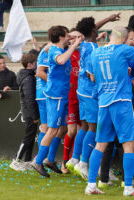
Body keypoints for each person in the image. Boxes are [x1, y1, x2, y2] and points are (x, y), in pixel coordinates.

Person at [84, 26, 134, 196]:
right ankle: (128, 187)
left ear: (110, 36)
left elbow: (92, 77)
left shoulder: (95, 53)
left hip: (103, 102)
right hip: (121, 102)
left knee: (100, 145)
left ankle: (91, 185)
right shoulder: (124, 49)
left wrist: (121, 71)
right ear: (123, 38)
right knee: (128, 144)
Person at [66, 14, 120, 175]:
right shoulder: (94, 49)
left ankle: (75, 159)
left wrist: (108, 19)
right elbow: (93, 76)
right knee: (94, 128)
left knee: (84, 126)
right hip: (90, 92)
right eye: (96, 28)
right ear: (93, 30)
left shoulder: (84, 44)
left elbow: (92, 27)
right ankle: (83, 164)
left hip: (81, 91)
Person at [31, 25, 82, 178]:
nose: (69, 38)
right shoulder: (55, 50)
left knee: (63, 128)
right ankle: (38, 161)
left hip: (63, 92)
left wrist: (72, 40)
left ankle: (50, 159)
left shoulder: (56, 47)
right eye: (66, 35)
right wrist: (73, 46)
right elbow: (60, 61)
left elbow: (50, 47)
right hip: (56, 95)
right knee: (52, 129)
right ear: (60, 37)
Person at [9, 53, 39, 171]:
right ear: (30, 65)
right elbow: (29, 99)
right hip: (29, 113)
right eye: (35, 63)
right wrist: (35, 115)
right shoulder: (28, 79)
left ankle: (27, 161)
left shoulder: (28, 76)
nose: (37, 65)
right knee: (28, 137)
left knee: (31, 137)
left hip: (28, 112)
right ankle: (16, 160)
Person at [61, 29, 83, 174]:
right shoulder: (66, 54)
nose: (80, 40)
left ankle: (76, 162)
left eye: (80, 37)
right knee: (72, 130)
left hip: (83, 97)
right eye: (76, 37)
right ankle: (64, 161)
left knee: (82, 130)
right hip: (70, 98)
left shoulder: (85, 53)